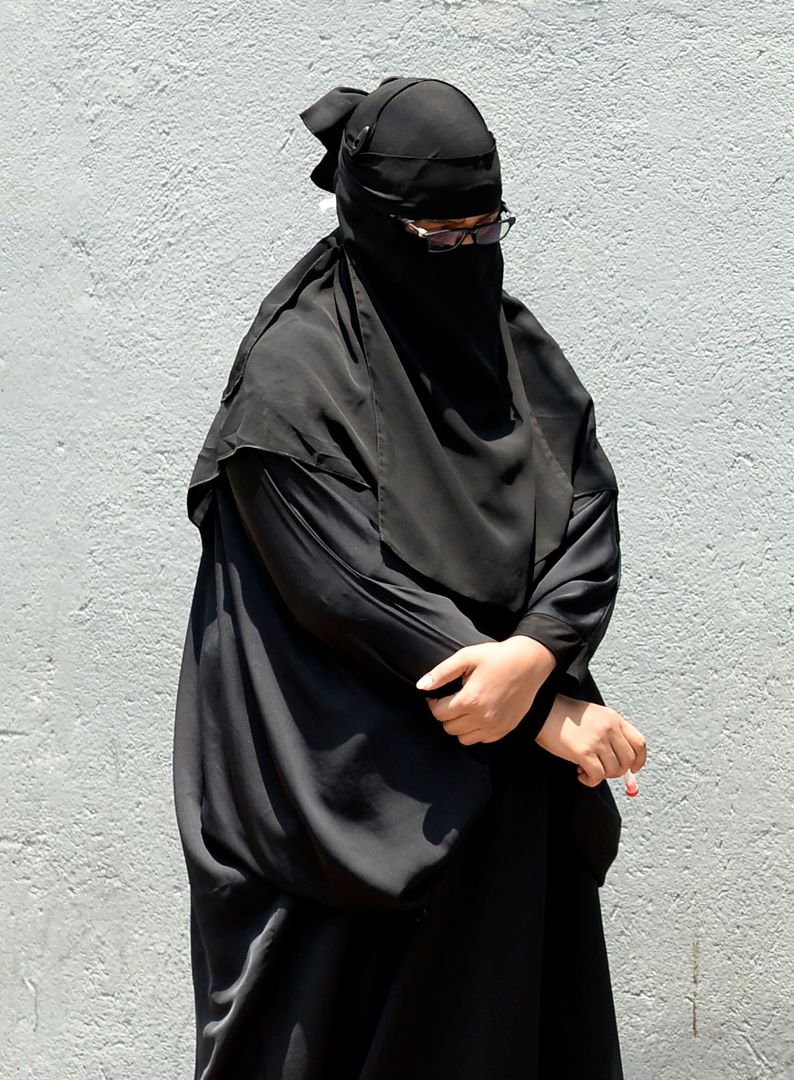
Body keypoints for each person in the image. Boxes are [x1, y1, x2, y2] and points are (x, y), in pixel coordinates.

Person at [174, 77, 644, 1079]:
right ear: (374, 219)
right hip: (344, 795)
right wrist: (542, 712)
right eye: (439, 233)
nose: (467, 252)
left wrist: (536, 654)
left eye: (487, 225)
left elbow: (588, 515)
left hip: (499, 805)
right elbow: (345, 586)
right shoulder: (296, 373)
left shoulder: (512, 349)